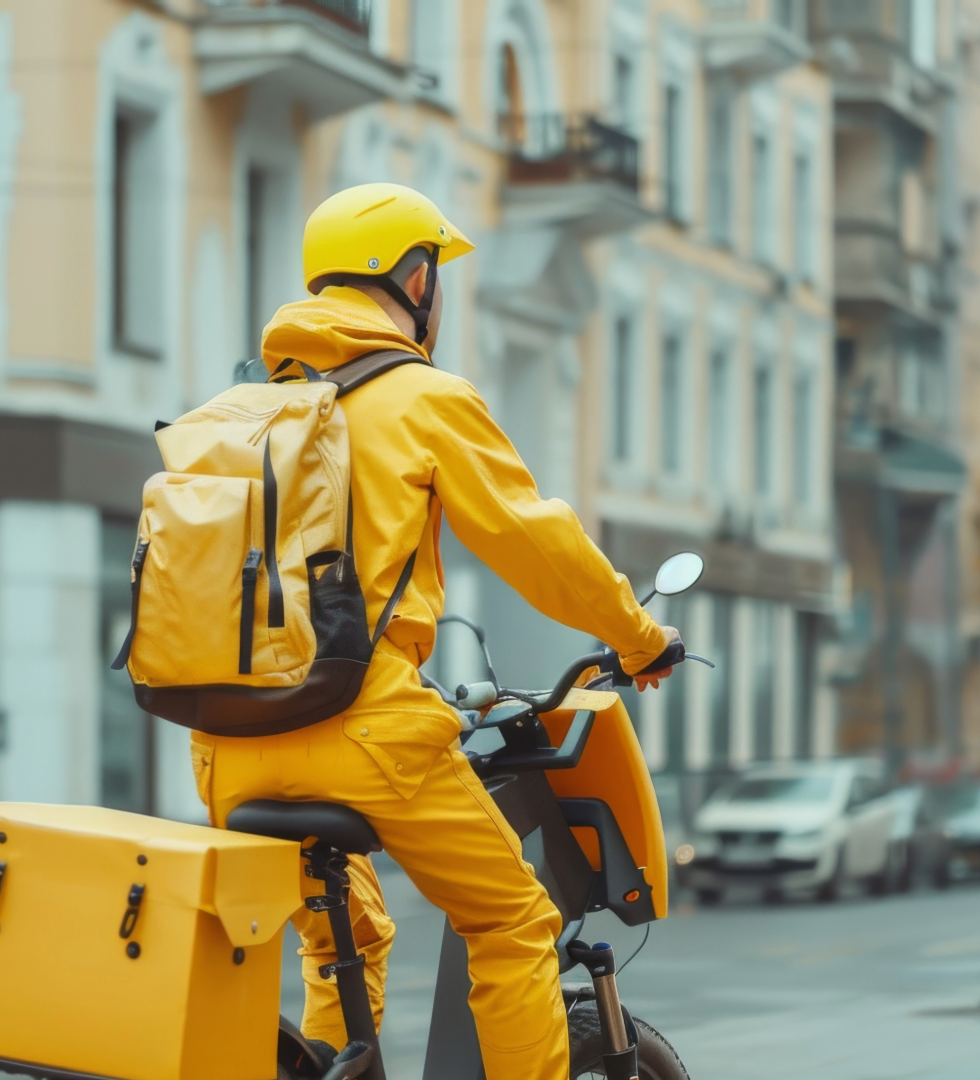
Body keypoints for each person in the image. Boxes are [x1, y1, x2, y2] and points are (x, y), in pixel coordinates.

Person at [190, 182, 681, 1080]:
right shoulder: (421, 397)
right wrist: (641, 636)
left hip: (228, 748)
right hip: (368, 736)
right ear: (414, 280)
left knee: (350, 930)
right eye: (437, 275)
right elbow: (538, 544)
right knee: (512, 920)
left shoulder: (244, 413)